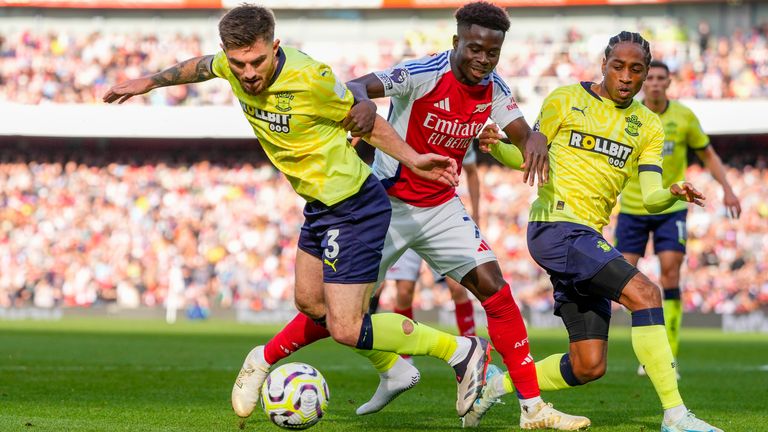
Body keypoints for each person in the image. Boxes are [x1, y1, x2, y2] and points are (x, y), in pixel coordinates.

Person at [102, 3, 494, 423]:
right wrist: (150, 81)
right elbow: (200, 67)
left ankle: (459, 350)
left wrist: (414, 159)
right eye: (238, 64)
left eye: (257, 62)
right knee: (310, 304)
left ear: (275, 48)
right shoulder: (229, 65)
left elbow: (368, 121)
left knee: (346, 326)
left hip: (355, 206)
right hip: (320, 206)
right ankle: (393, 368)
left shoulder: (312, 78)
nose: (248, 73)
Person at [231, 2, 590, 430]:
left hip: (440, 207)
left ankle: (533, 409)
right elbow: (359, 85)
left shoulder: (495, 88)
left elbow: (521, 130)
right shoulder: (422, 73)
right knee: (333, 312)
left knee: (497, 290)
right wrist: (362, 104)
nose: (482, 60)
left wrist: (534, 140)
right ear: (456, 42)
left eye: (492, 53)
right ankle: (270, 358)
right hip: (385, 206)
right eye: (474, 49)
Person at [467, 31, 723, 432]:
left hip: (586, 237)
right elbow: (528, 158)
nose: (626, 76)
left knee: (589, 365)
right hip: (556, 226)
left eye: (635, 70)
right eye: (618, 66)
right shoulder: (564, 99)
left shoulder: (647, 125)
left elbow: (652, 194)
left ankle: (495, 385)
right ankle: (675, 416)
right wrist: (497, 146)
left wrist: (673, 194)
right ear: (603, 64)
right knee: (646, 294)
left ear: (643, 76)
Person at [615, 60, 741, 378]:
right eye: (651, 78)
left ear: (669, 82)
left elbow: (708, 153)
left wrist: (727, 188)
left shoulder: (684, 116)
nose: (655, 83)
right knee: (623, 280)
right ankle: (647, 349)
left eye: (661, 78)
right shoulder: (629, 115)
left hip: (671, 208)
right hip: (633, 208)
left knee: (670, 274)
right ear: (644, 81)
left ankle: (668, 355)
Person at [370, 145, 483, 341]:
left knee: (457, 286)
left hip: (439, 215)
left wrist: (476, 214)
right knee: (404, 291)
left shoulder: (459, 132)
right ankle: (406, 354)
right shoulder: (405, 128)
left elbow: (472, 172)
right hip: (404, 214)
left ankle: (472, 344)